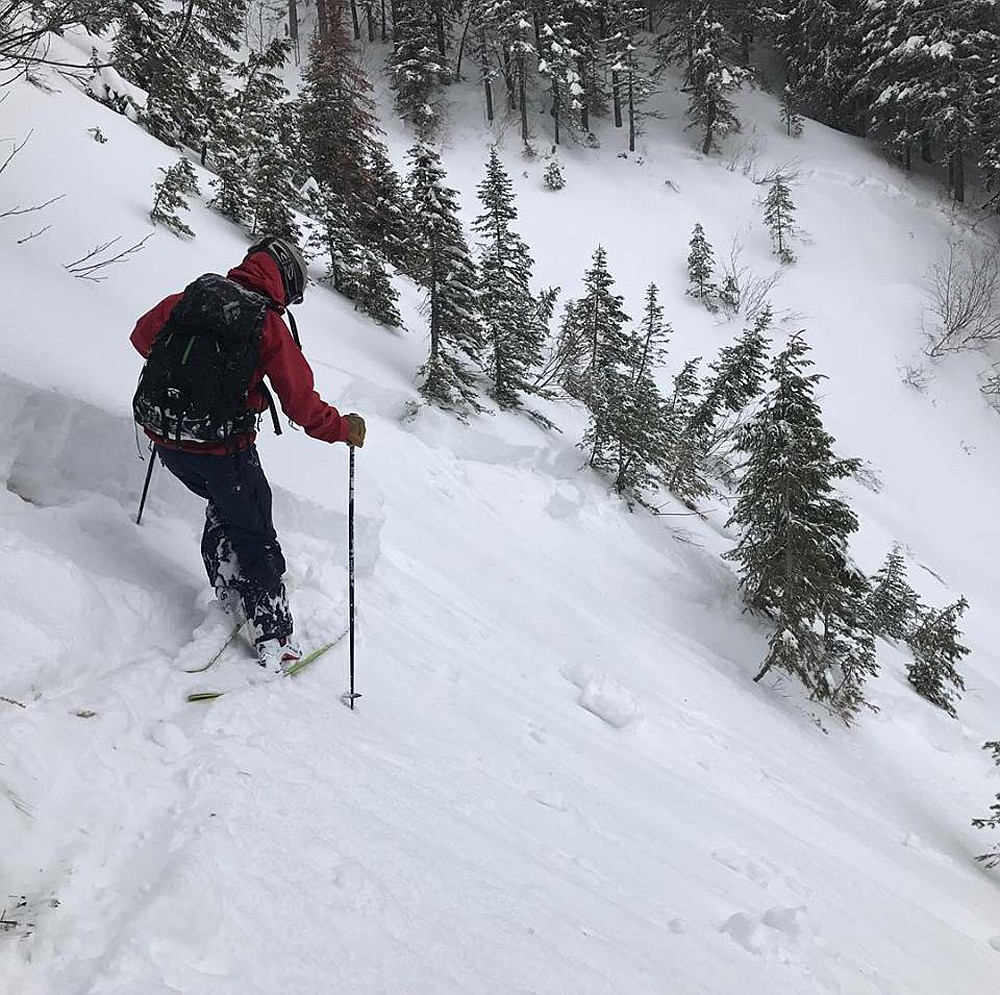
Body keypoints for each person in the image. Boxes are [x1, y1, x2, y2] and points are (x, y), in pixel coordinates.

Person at [129, 236, 365, 672]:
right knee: (255, 529)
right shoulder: (266, 324)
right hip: (222, 449)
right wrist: (343, 429)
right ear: (285, 280)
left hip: (165, 437)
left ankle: (229, 585)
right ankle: (274, 636)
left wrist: (190, 381)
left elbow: (142, 337)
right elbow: (301, 405)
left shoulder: (193, 296)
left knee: (228, 507)